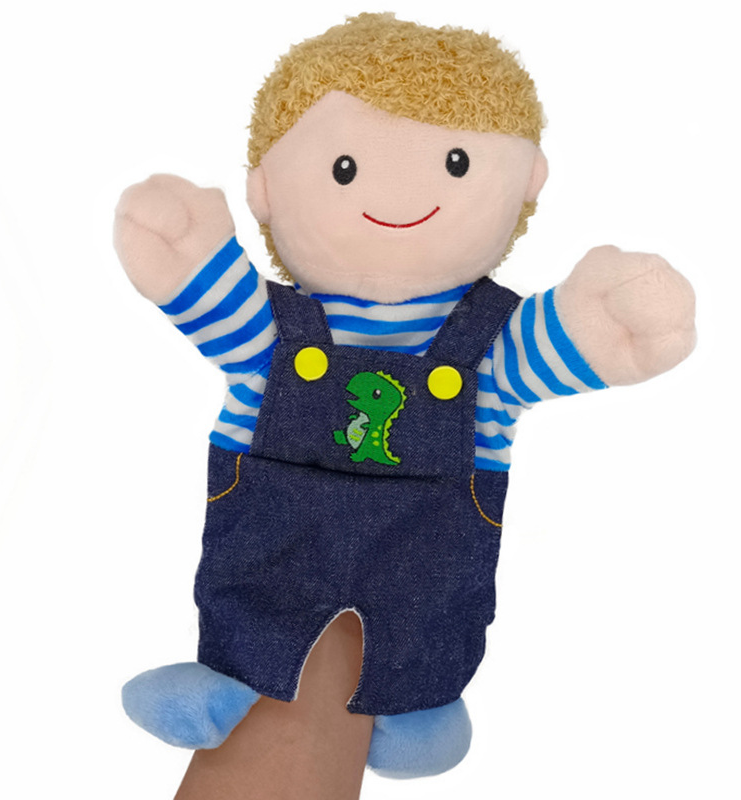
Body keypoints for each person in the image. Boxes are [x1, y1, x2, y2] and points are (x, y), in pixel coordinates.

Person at [113, 12, 695, 795]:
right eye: (345, 167)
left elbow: (558, 343)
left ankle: (413, 696)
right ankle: (238, 679)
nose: (396, 194)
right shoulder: (276, 338)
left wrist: (604, 318)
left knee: (416, 606)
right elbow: (211, 296)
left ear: (527, 179)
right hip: (286, 538)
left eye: (455, 162)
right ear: (266, 190)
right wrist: (190, 255)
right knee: (269, 596)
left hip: (420, 546)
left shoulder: (488, 345)